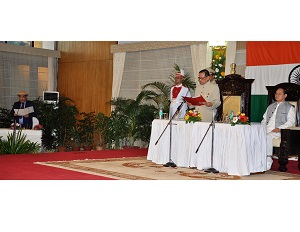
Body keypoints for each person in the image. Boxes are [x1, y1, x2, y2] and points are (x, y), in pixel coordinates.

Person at [261, 87, 295, 170]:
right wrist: (261, 128)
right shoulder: (270, 106)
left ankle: (268, 160)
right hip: (267, 129)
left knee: (268, 137)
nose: (277, 95)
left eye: (279, 94)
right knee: (256, 135)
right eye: (276, 93)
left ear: (285, 95)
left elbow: (291, 122)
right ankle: (257, 160)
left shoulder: (290, 107)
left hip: (280, 131)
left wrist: (279, 128)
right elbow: (264, 119)